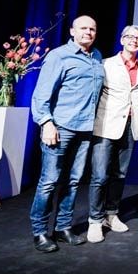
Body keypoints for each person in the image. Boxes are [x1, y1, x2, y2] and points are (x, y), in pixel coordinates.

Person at [30, 15, 104, 253]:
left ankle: (63, 228)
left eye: (92, 29)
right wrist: (46, 123)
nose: (88, 32)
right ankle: (40, 232)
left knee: (73, 182)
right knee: (49, 182)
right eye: (83, 28)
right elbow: (41, 95)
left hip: (85, 129)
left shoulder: (96, 57)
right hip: (60, 128)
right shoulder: (59, 56)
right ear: (72, 31)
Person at [86, 25, 138, 243]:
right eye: (130, 37)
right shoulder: (106, 64)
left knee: (119, 174)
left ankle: (111, 215)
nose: (134, 41)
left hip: (130, 126)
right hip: (106, 126)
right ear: (122, 40)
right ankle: (95, 220)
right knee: (100, 175)